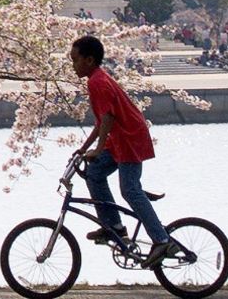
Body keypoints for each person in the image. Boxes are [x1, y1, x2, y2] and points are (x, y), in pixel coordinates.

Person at [70, 35, 176, 268]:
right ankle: (113, 227)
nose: (73, 65)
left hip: (129, 138)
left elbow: (108, 118)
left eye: (75, 60)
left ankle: (161, 239)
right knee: (94, 174)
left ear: (89, 60)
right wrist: (84, 149)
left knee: (129, 190)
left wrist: (98, 149)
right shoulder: (95, 80)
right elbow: (101, 122)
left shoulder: (98, 82)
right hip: (119, 139)